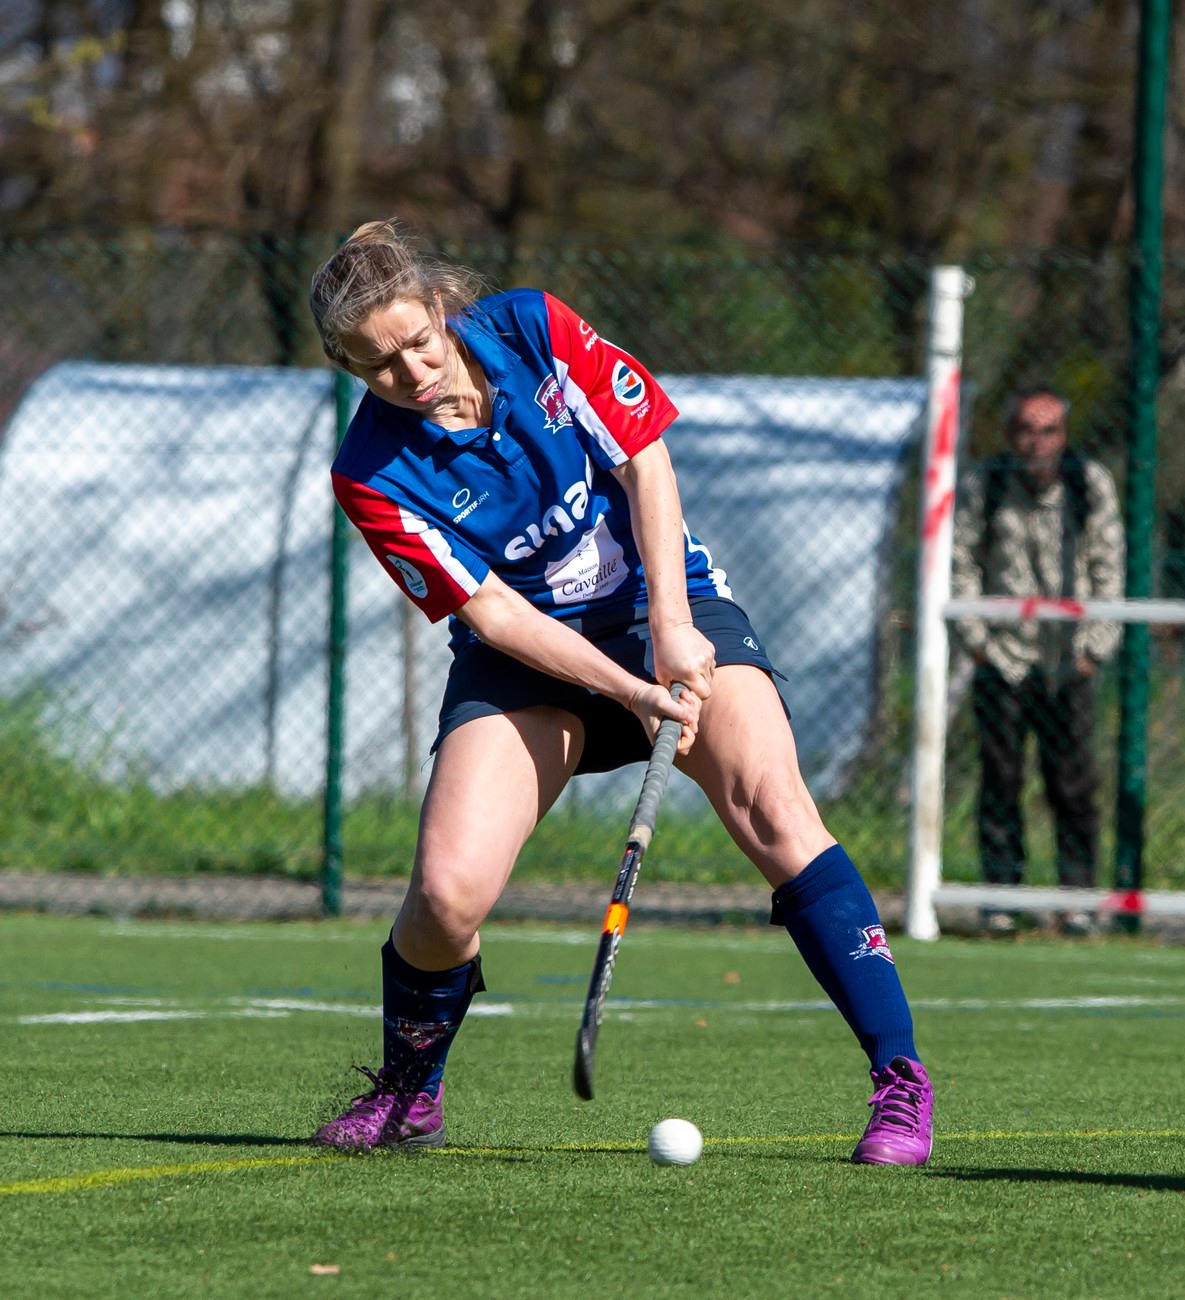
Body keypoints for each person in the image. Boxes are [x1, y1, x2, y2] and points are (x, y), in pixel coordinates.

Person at [305, 221, 932, 1164]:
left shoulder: (533, 331)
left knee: (775, 808)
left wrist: (672, 626)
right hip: (530, 658)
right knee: (445, 895)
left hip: (662, 601)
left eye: (418, 344)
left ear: (441, 309)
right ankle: (410, 1089)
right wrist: (628, 692)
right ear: (345, 366)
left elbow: (645, 460)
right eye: (378, 366)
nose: (411, 374)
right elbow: (496, 617)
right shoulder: (370, 474)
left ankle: (900, 1085)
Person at [952, 387, 1124, 933]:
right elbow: (961, 560)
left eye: (1049, 430)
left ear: (1064, 435)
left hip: (1067, 660)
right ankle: (1001, 899)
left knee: (1072, 783)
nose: (1037, 442)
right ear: (1011, 435)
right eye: (1027, 429)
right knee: (1001, 781)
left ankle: (1077, 900)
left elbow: (1108, 567)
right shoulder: (987, 484)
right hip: (1002, 656)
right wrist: (976, 641)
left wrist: (1094, 648)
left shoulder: (1088, 484)